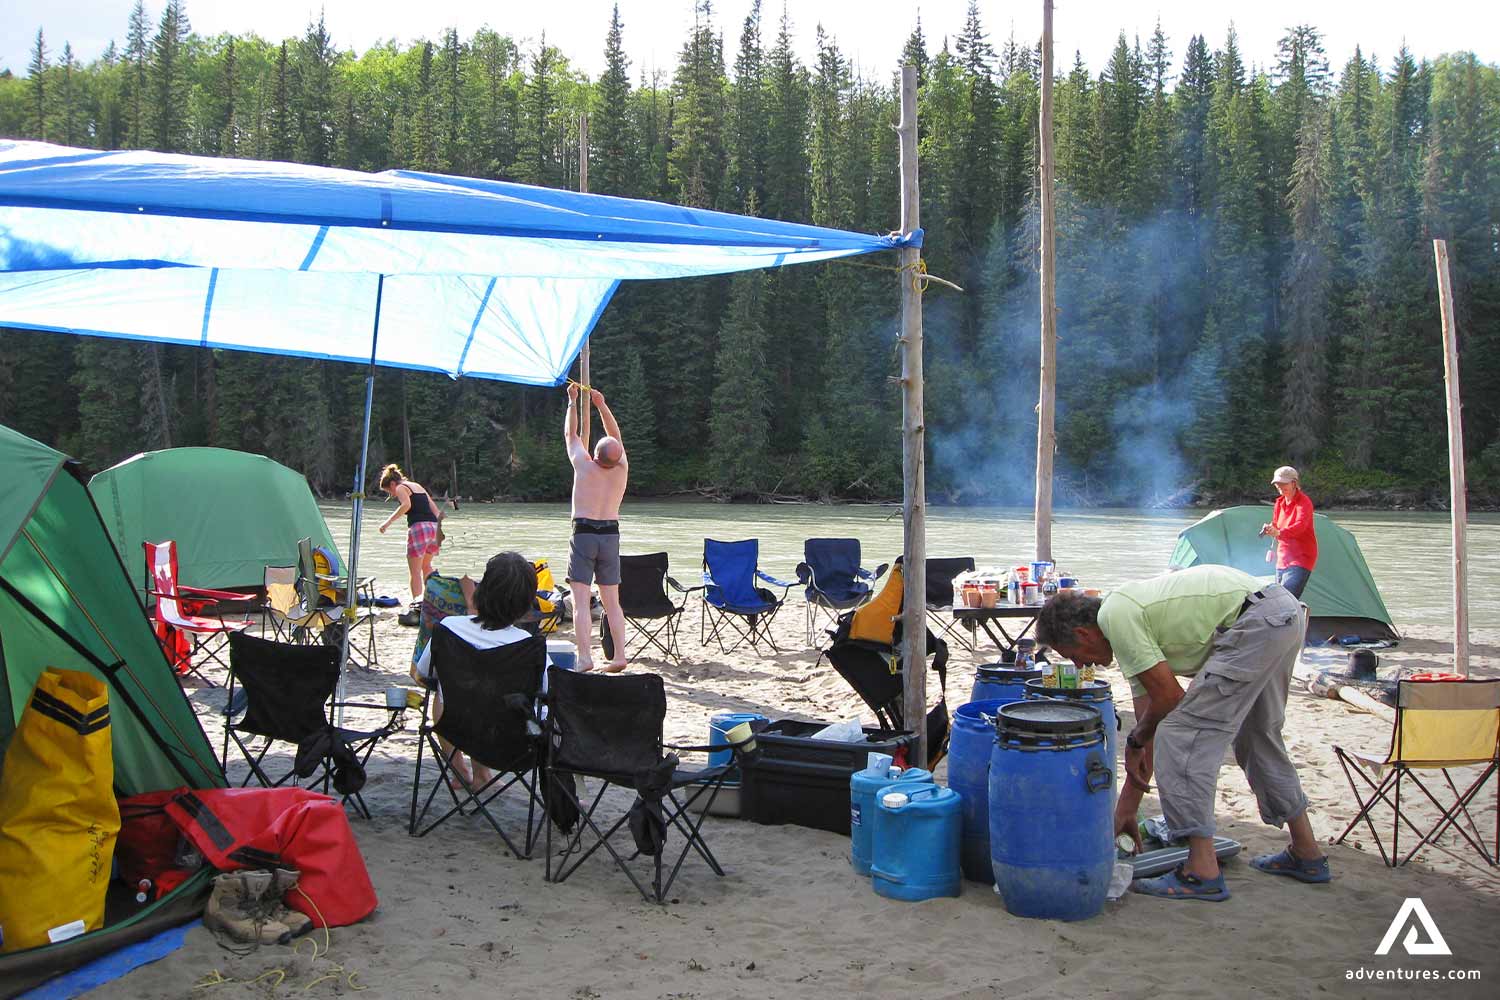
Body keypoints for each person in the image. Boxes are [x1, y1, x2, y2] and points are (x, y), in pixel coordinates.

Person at [1035, 564, 1331, 902]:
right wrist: (1126, 810)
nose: (1079, 667)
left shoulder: (1116, 617)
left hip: (1256, 621)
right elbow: (1148, 724)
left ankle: (1201, 870)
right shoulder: (1127, 628)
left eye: (1073, 656)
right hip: (1281, 613)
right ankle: (1307, 854)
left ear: (1084, 634)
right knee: (1257, 736)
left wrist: (1139, 737)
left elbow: (1170, 702)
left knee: (1181, 736)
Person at [412, 551, 549, 791]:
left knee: (444, 691)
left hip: (456, 727)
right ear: (526, 603)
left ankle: (459, 770)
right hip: (513, 741)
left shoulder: (448, 628)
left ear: (482, 589)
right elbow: (548, 690)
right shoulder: (529, 644)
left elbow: (423, 674)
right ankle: (482, 775)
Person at [564, 383, 629, 672]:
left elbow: (571, 435)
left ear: (595, 455)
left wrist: (572, 402)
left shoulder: (583, 464)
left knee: (580, 600)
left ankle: (585, 657)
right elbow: (615, 435)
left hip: (584, 533)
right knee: (612, 602)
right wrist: (602, 405)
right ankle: (619, 657)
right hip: (610, 534)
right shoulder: (622, 469)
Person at [377, 464, 445, 602]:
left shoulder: (401, 487)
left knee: (415, 572)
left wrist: (387, 523)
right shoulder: (418, 486)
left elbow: (406, 505)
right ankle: (433, 601)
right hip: (434, 527)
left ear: (392, 483)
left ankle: (417, 604)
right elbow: (436, 510)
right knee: (426, 566)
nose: (392, 495)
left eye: (390, 492)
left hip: (419, 528)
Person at [1260, 465, 1317, 599]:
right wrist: (1270, 528)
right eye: (1277, 483)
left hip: (1301, 557)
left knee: (1286, 598)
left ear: (1294, 483)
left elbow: (1300, 526)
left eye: (1283, 483)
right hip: (1283, 557)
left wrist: (1279, 533)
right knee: (1279, 598)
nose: (1279, 486)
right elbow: (1276, 523)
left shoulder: (1304, 502)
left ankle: (1293, 618)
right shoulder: (1279, 503)